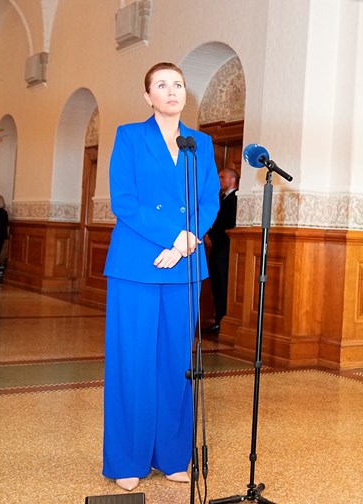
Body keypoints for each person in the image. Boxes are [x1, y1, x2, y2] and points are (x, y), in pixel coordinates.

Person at [101, 62, 220, 491]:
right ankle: (127, 460)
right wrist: (172, 238)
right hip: (136, 265)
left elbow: (209, 200)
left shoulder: (200, 143)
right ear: (147, 96)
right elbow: (125, 202)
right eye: (162, 85)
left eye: (178, 85)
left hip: (184, 266)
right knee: (132, 362)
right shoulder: (129, 137)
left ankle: (171, 455)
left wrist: (187, 242)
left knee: (176, 364)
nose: (172, 91)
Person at [205, 167, 238, 333]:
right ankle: (218, 318)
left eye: (222, 177)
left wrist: (214, 234)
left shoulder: (235, 199)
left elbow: (228, 223)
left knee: (223, 284)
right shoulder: (220, 198)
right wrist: (207, 234)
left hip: (226, 249)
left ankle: (223, 320)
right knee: (216, 284)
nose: (219, 180)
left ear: (232, 180)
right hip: (216, 248)